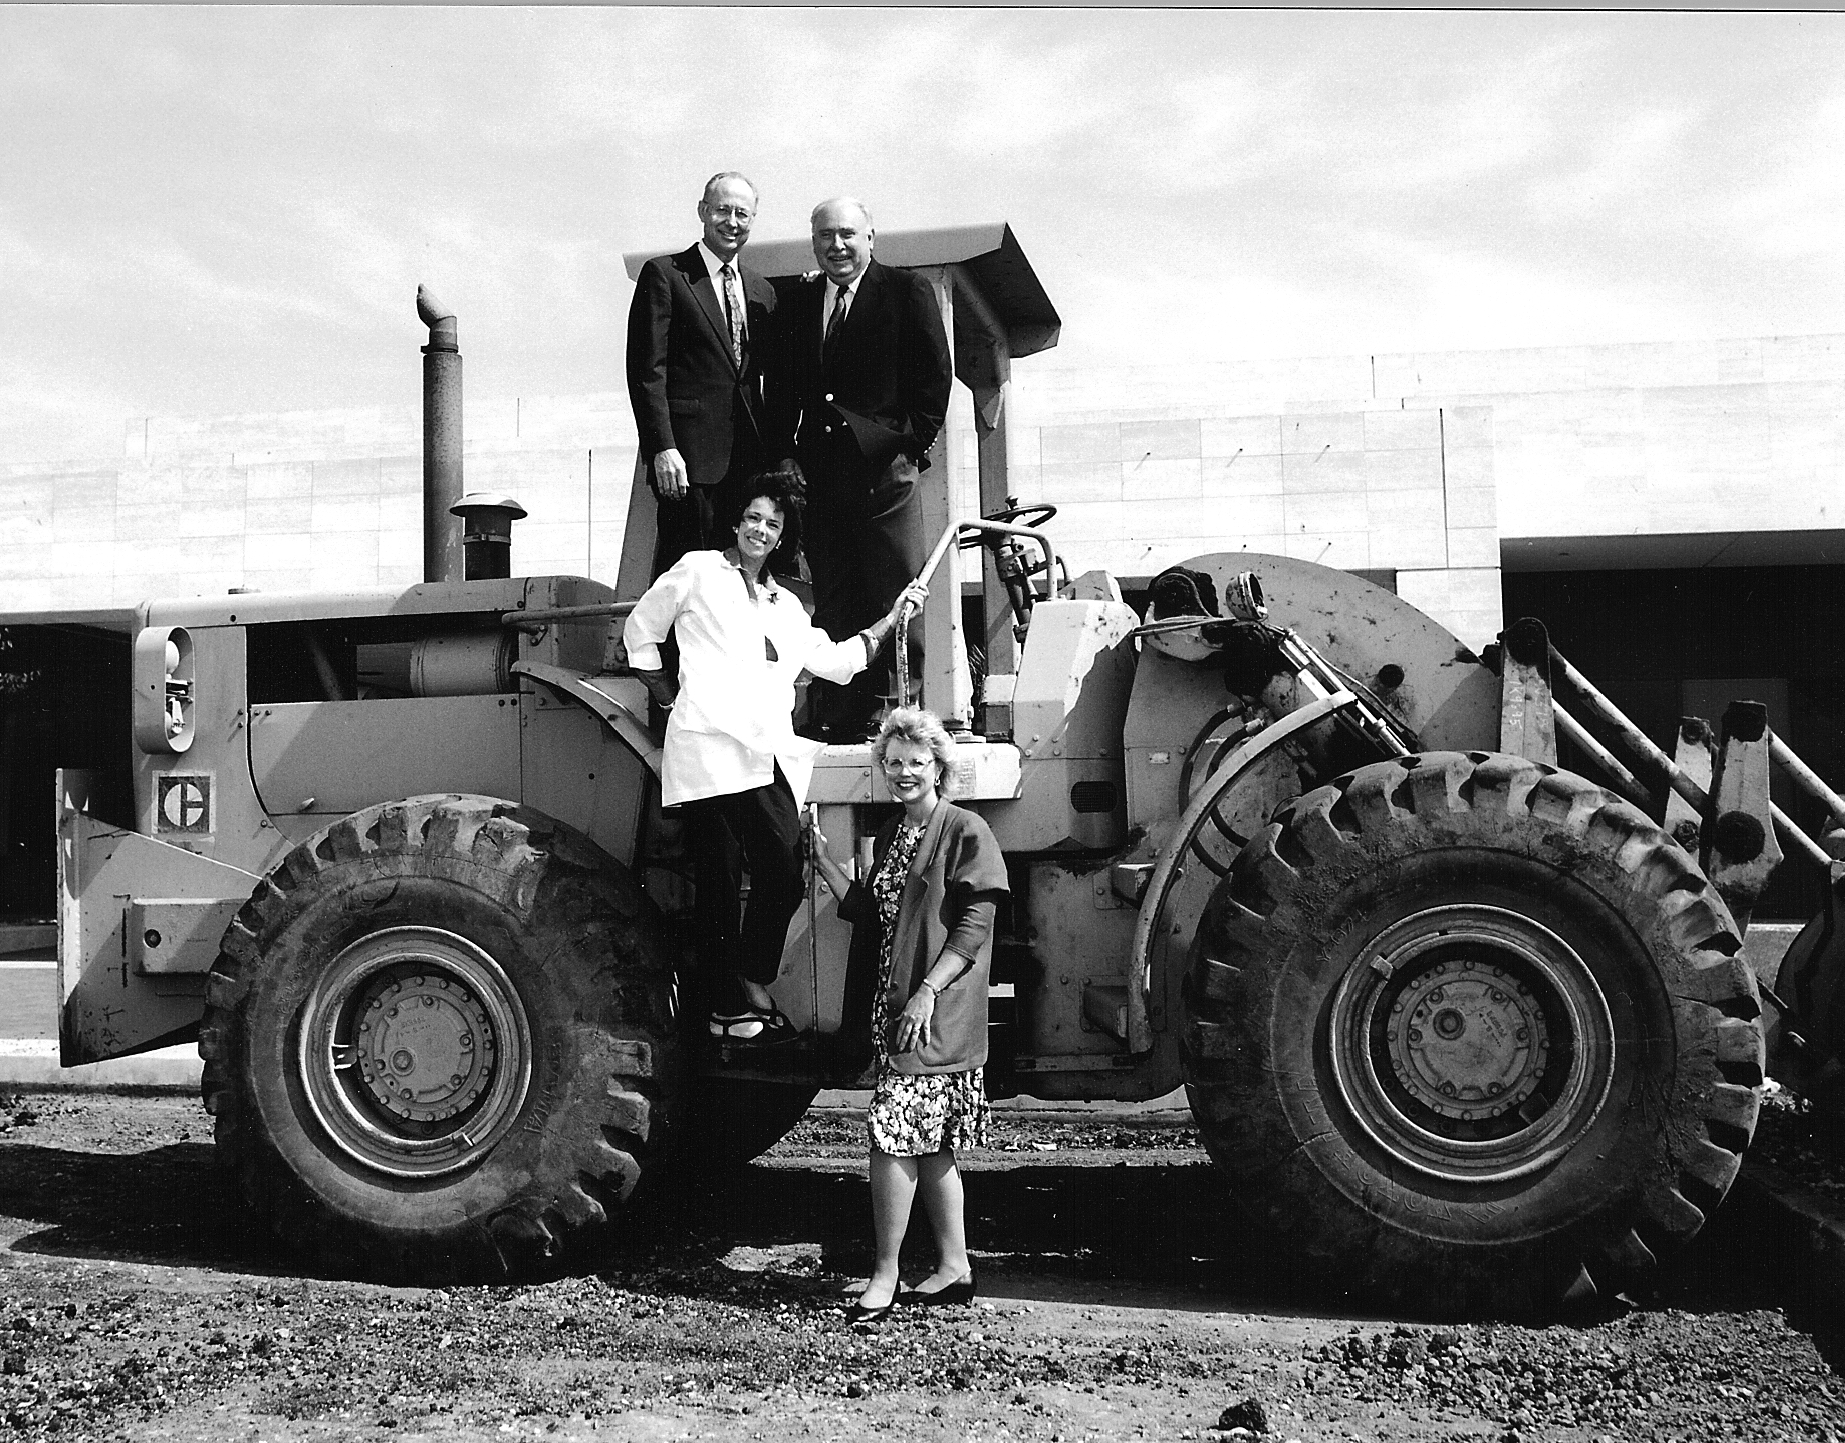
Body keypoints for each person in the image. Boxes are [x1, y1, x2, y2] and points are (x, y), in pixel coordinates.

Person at [624, 470, 927, 1042]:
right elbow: (640, 633)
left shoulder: (787, 602)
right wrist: (668, 698)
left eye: (774, 523)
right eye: (754, 518)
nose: (761, 530)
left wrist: (895, 616)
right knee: (716, 881)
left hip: (766, 752)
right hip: (707, 746)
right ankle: (725, 1009)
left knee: (784, 873)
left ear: (782, 534)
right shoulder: (697, 570)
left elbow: (837, 662)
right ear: (735, 521)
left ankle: (750, 976)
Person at [810, 707, 1008, 1320]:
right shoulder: (900, 835)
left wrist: (927, 991)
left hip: (934, 1010)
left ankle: (886, 1275)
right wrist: (822, 864)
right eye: (893, 763)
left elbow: (977, 924)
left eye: (916, 762)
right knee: (932, 1148)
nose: (903, 773)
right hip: (903, 1006)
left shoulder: (965, 829)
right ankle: (955, 1267)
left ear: (939, 767)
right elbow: (873, 917)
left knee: (890, 1140)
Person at [776, 197, 953, 740]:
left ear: (871, 238)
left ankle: (898, 712)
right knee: (834, 594)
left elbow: (934, 382)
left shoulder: (906, 292)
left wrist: (908, 451)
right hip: (822, 477)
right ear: (813, 242)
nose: (837, 245)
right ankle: (841, 713)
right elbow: (783, 390)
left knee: (895, 590)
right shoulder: (801, 302)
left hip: (884, 473)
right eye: (826, 235)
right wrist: (787, 456)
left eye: (848, 234)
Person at [626, 172, 782, 579]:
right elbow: (646, 371)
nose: (732, 222)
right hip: (688, 463)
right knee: (686, 577)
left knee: (737, 576)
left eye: (742, 214)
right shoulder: (666, 275)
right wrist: (662, 447)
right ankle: (670, 647)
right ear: (702, 212)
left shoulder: (762, 290)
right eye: (722, 210)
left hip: (747, 463)